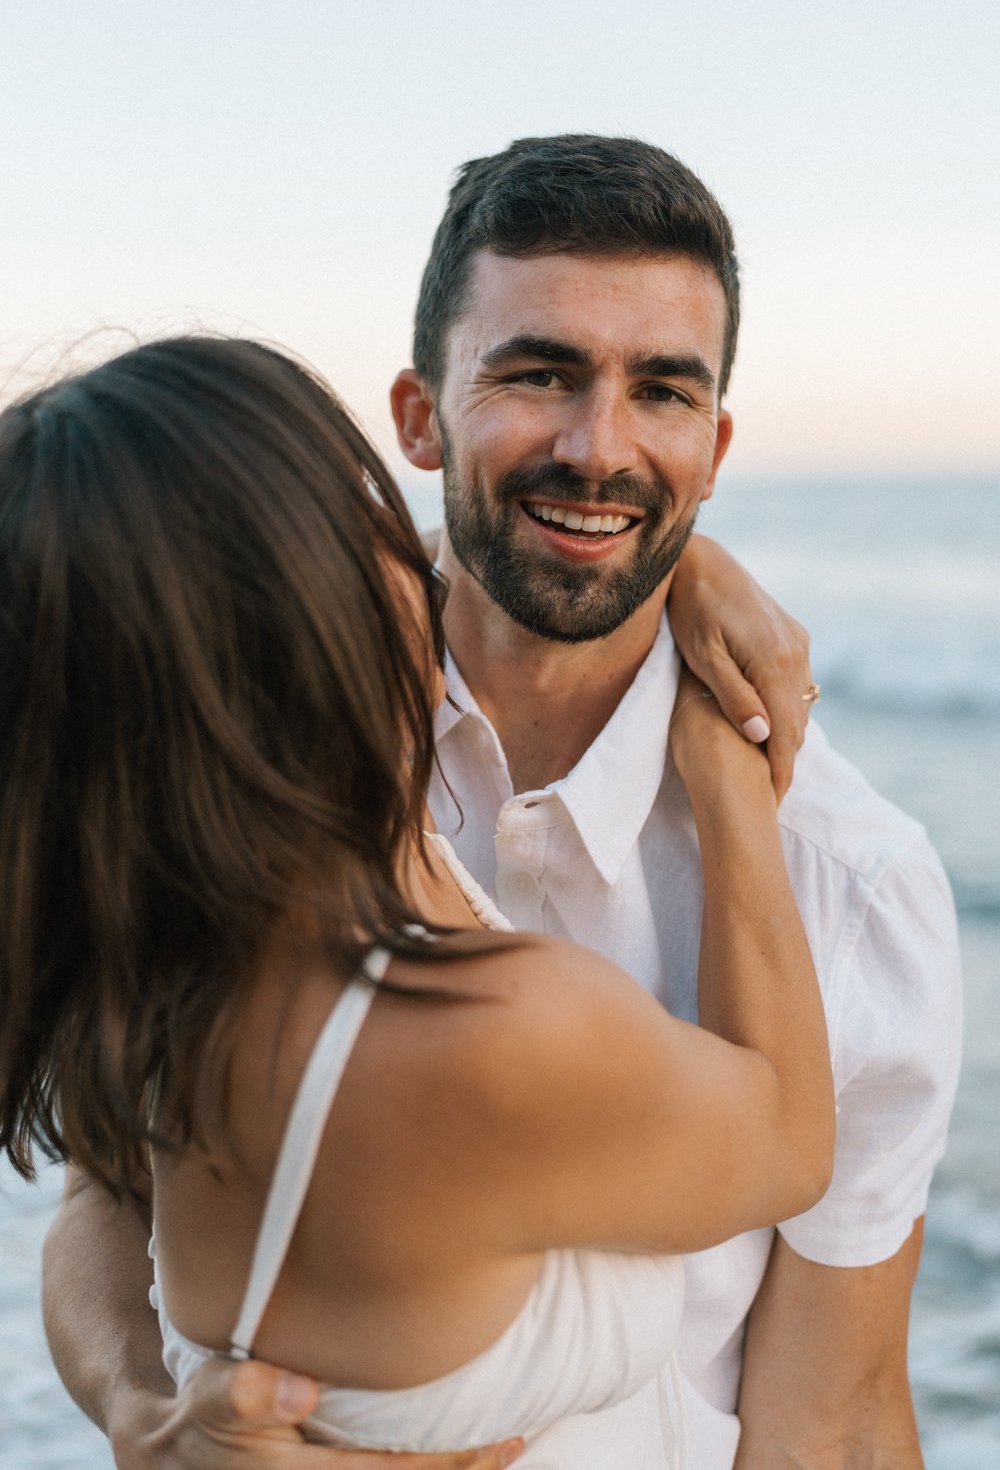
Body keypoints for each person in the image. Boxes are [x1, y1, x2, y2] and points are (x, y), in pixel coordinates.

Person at [41, 133, 962, 1469]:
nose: (599, 448)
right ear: (418, 416)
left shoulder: (848, 881)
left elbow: (834, 1412)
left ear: (713, 448)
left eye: (662, 393)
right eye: (539, 375)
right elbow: (107, 1184)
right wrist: (142, 1415)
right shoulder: (243, 752)